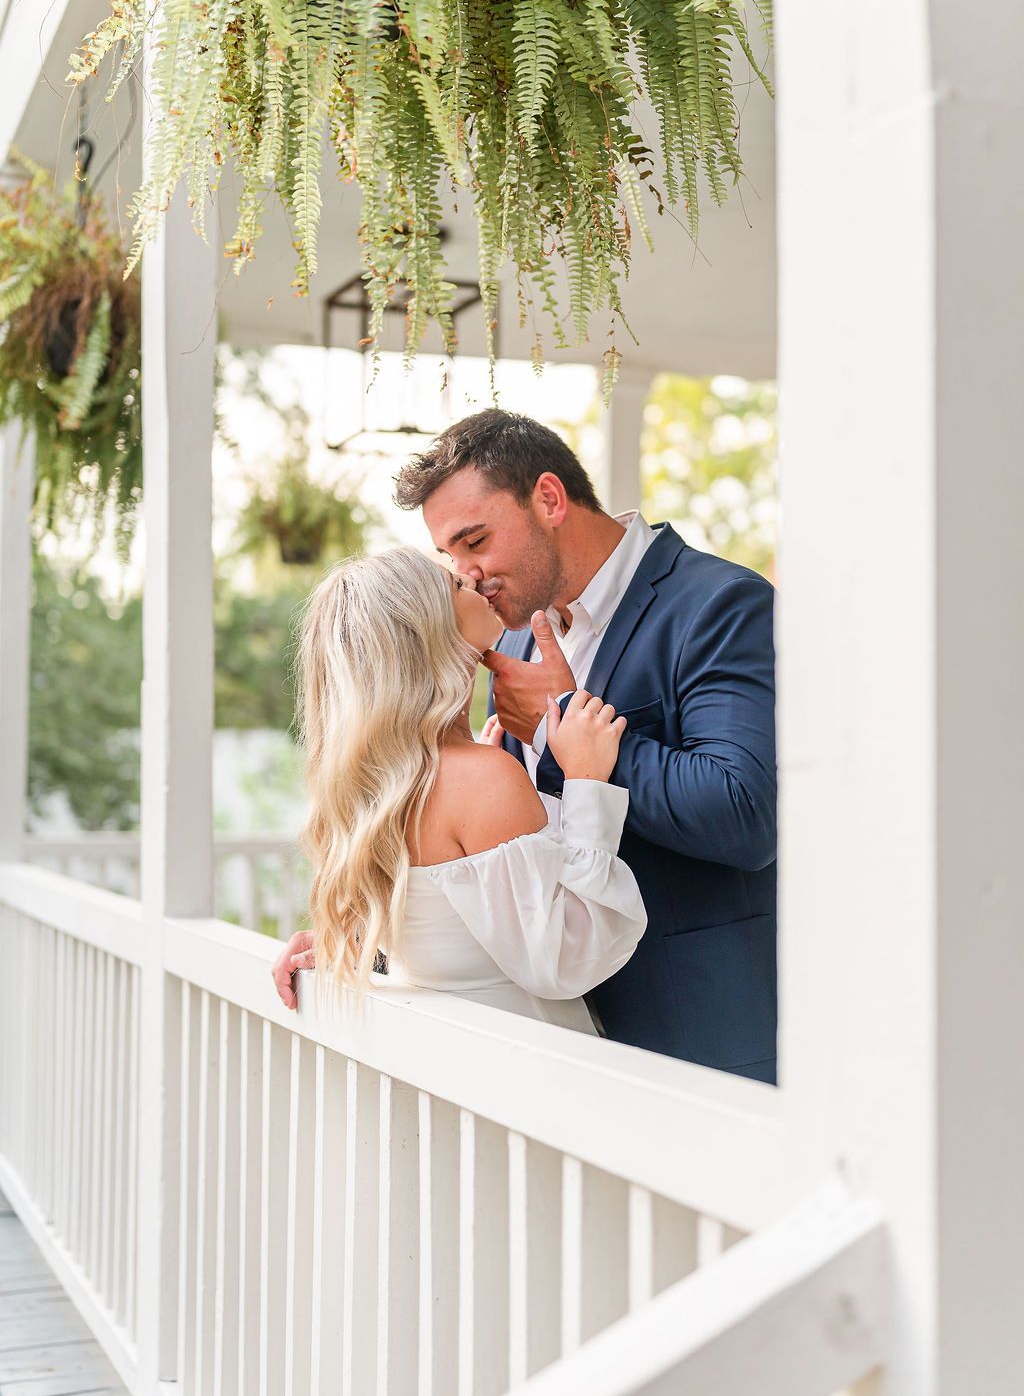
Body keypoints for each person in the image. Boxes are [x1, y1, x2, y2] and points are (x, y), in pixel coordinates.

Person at [389, 409, 778, 1084]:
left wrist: (560, 718)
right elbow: (492, 857)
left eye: (475, 540)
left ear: (548, 498)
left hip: (699, 1039)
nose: (469, 574)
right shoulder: (507, 638)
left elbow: (745, 812)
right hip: (561, 1044)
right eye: (452, 557)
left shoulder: (720, 604)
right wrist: (361, 947)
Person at [271, 546, 646, 1030]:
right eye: (453, 584)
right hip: (534, 1070)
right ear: (426, 631)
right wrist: (586, 783)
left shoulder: (379, 787)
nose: (471, 576)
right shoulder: (480, 777)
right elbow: (567, 962)